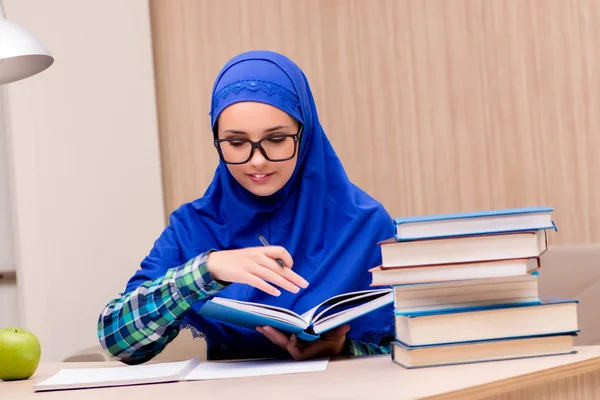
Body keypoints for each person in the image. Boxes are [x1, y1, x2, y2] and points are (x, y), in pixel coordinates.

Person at [97, 50, 395, 364]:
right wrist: (208, 269)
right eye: (236, 143)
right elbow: (117, 341)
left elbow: (411, 348)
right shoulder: (195, 227)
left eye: (277, 139)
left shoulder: (365, 224)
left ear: (304, 134)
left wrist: (342, 351)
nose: (257, 160)